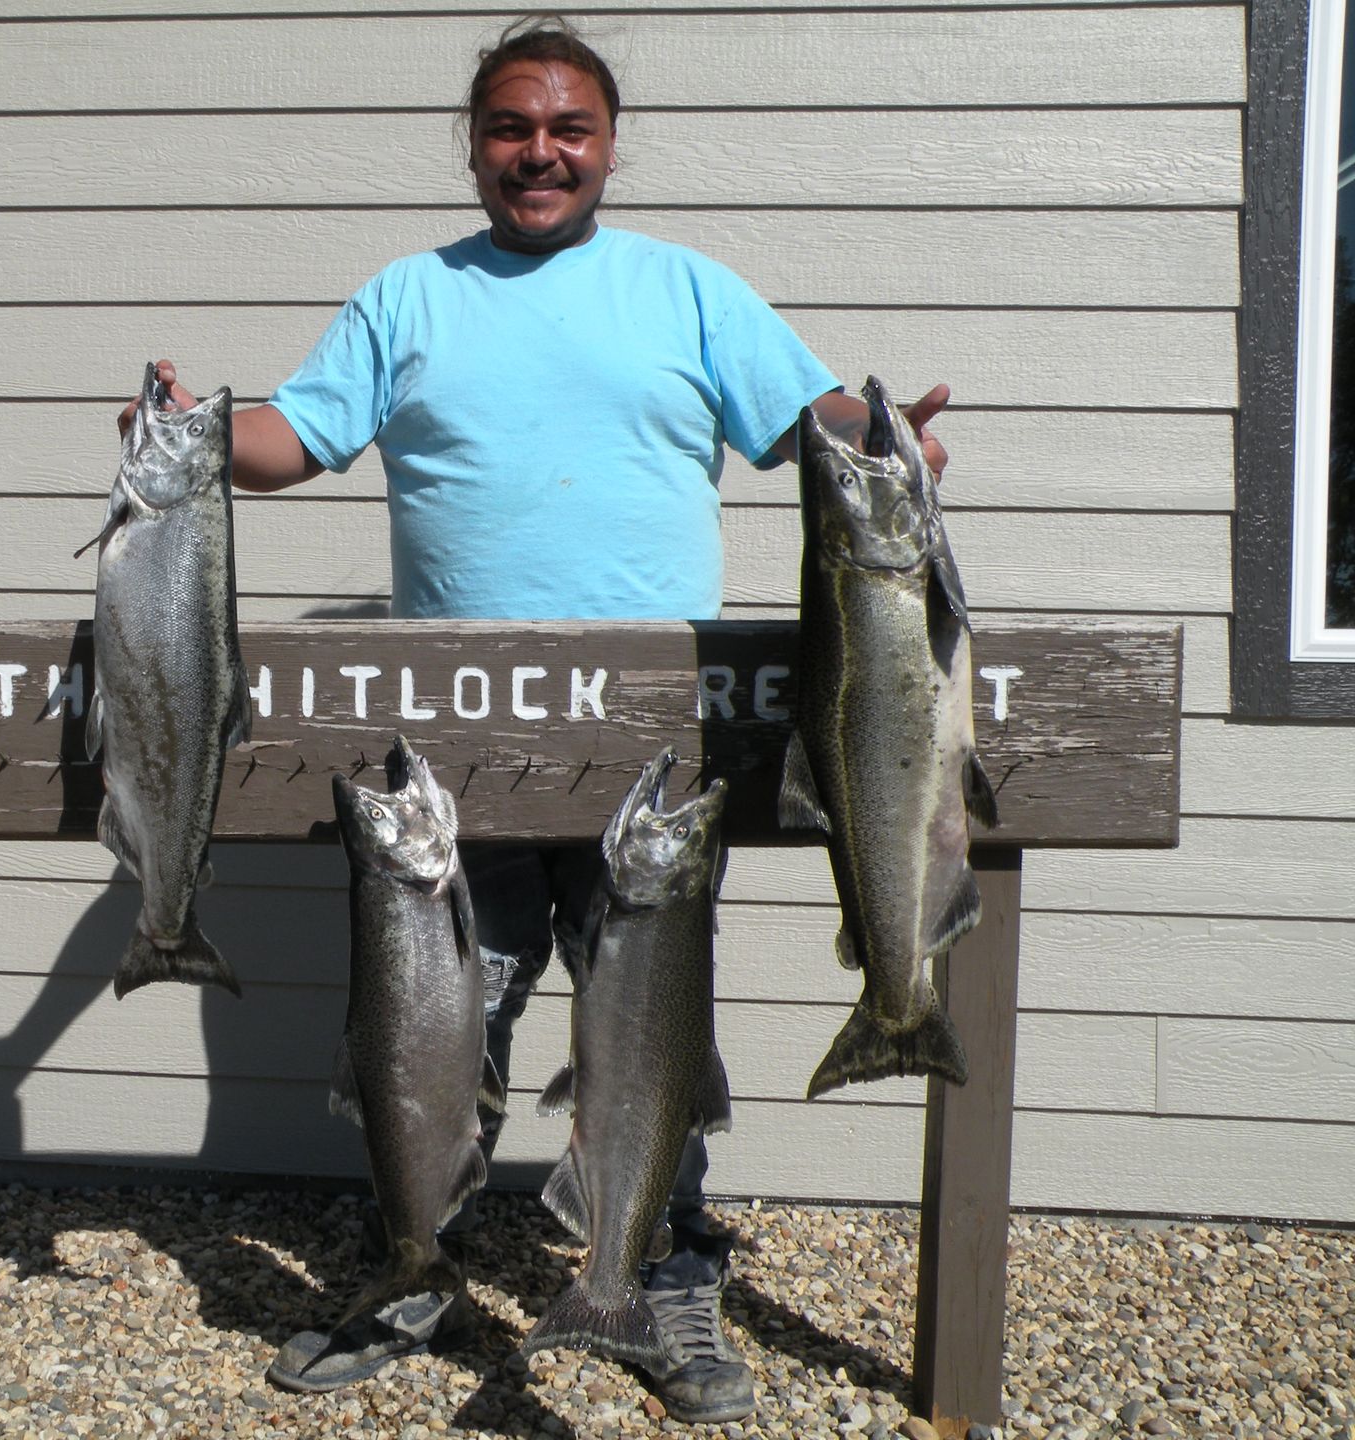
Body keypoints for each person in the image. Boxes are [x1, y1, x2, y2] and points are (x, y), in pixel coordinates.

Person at [119, 17, 948, 1425]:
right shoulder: (405, 299)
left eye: (569, 129)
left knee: (653, 1027)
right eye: (511, 128)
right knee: (441, 1015)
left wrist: (891, 442)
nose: (540, 153)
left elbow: (815, 422)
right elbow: (297, 442)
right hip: (457, 749)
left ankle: (663, 1270)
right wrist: (193, 429)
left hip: (650, 746)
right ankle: (414, 1264)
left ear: (611, 146)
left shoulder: (688, 292)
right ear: (475, 144)